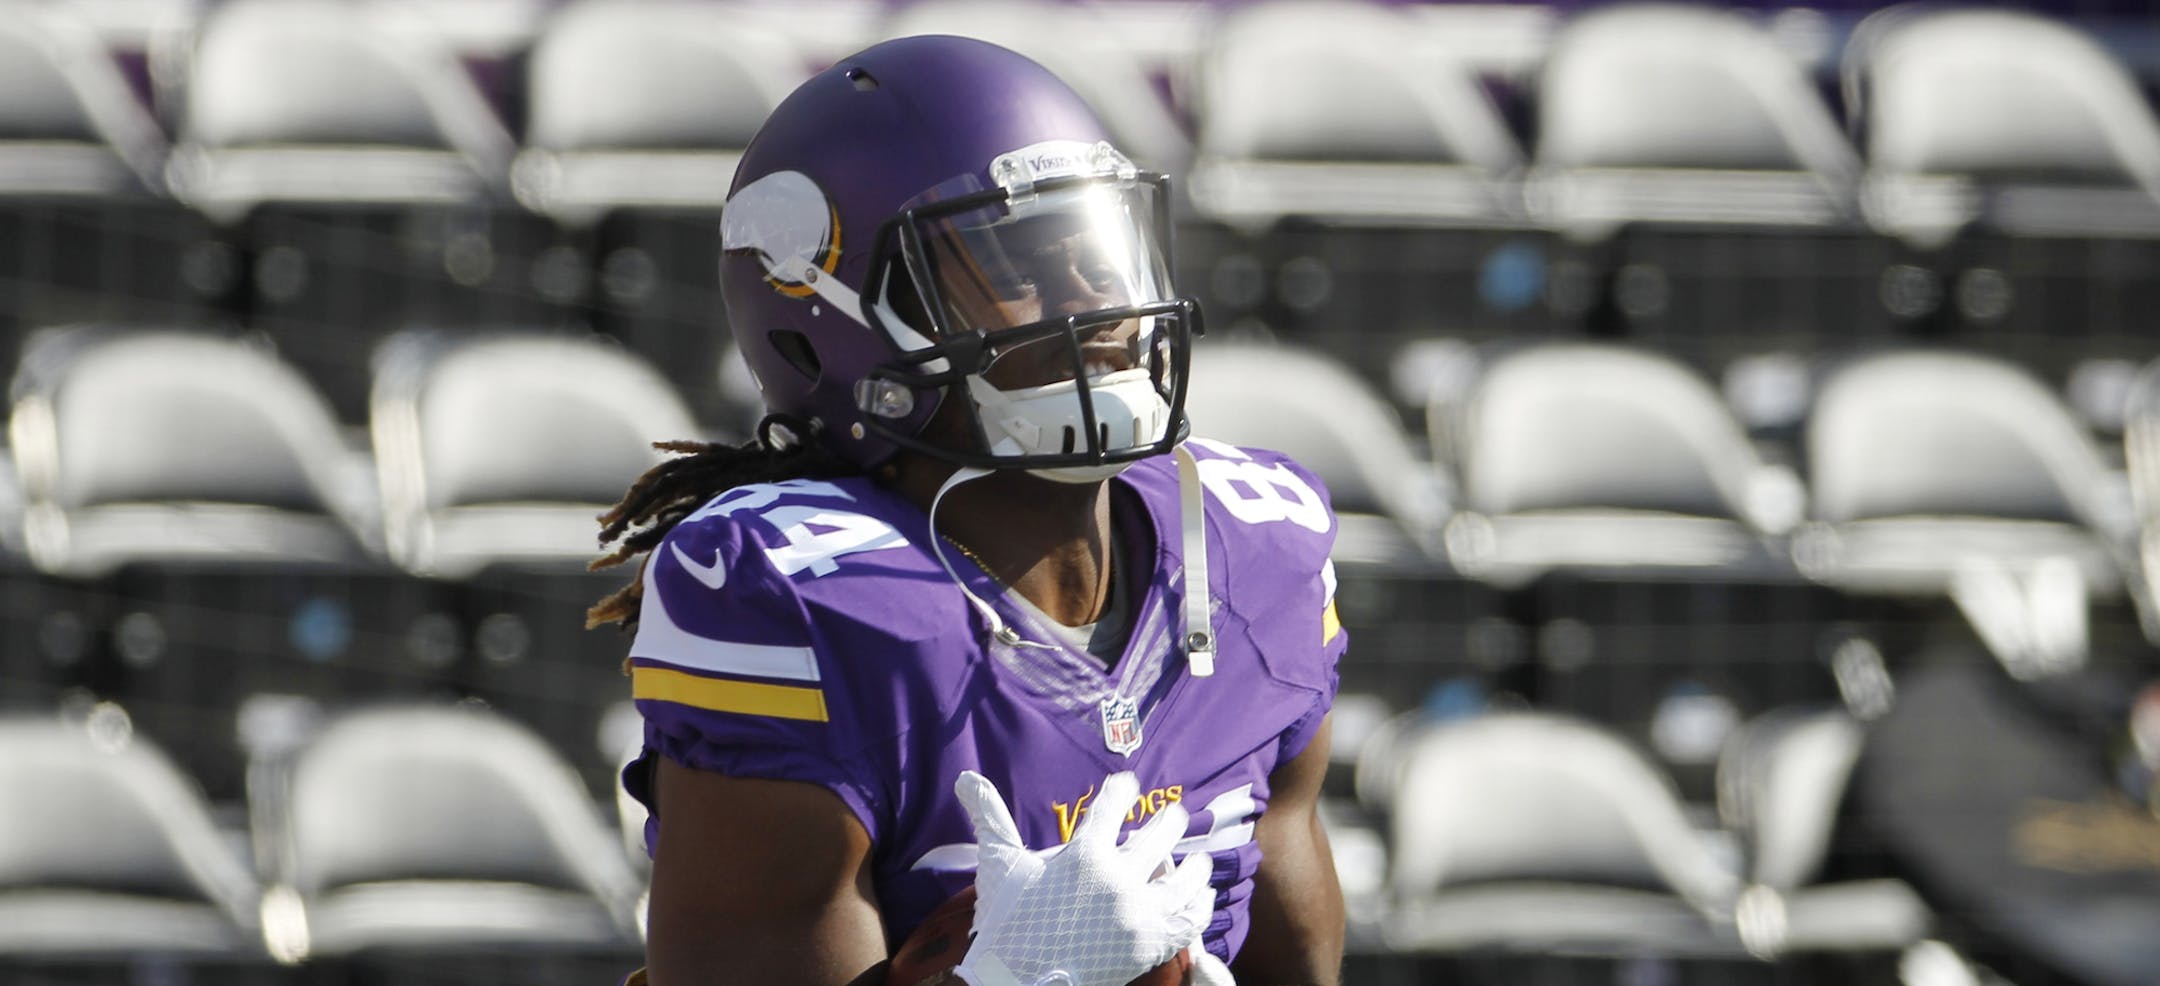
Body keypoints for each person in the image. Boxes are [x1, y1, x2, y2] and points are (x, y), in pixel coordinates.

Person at [588, 35, 1347, 986]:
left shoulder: (1260, 542)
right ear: (831, 318)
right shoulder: (794, 595)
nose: (1102, 306)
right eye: (1019, 266)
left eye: (1100, 250)